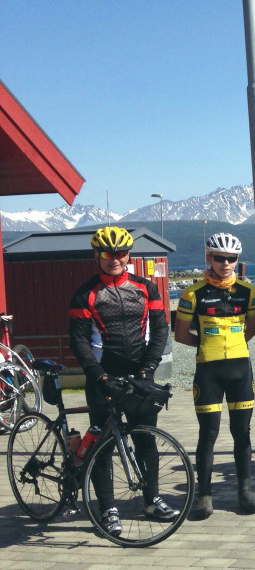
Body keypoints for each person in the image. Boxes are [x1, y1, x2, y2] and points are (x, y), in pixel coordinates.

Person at [69, 226, 175, 536]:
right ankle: (108, 509)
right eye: (107, 253)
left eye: (120, 253)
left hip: (139, 376)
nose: (114, 258)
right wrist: (99, 376)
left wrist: (149, 368)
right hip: (102, 378)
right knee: (102, 445)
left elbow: (160, 330)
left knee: (146, 440)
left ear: (129, 255)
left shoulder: (145, 288)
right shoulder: (86, 292)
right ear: (97, 256)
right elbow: (79, 342)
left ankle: (152, 499)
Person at [174, 233, 255, 518]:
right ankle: (204, 495)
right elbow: (180, 333)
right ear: (208, 258)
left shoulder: (249, 292)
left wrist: (234, 346)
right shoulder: (193, 293)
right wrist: (206, 346)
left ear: (238, 260)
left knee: (242, 433)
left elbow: (252, 328)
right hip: (208, 371)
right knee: (208, 434)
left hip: (240, 369)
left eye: (232, 259)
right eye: (219, 258)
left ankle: (245, 492)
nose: (226, 263)